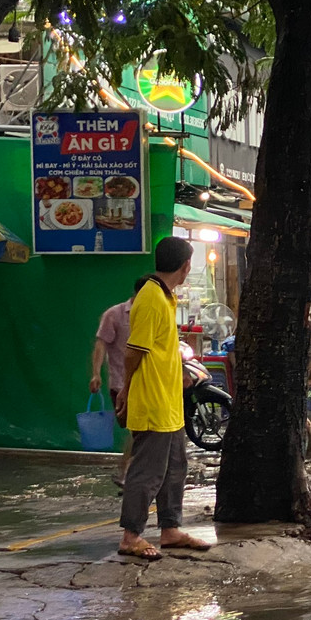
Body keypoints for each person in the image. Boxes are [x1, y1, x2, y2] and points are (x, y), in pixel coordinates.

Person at [115, 237, 209, 560]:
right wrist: (127, 389)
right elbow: (133, 352)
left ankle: (170, 529)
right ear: (184, 268)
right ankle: (131, 535)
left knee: (175, 468)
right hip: (153, 402)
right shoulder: (152, 298)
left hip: (170, 404)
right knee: (148, 470)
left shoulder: (165, 297)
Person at [90, 278, 145, 485]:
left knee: (139, 430)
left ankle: (128, 474)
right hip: (122, 383)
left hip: (149, 383)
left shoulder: (152, 313)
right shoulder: (114, 315)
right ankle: (127, 473)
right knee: (137, 429)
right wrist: (96, 374)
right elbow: (101, 345)